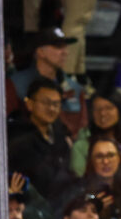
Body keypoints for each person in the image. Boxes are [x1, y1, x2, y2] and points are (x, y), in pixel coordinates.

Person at [8, 78, 75, 206]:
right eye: (46, 102)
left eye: (56, 104)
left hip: (60, 202)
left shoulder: (61, 135)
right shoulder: (17, 136)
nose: (51, 108)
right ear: (29, 104)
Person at [9, 28, 86, 137]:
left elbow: (83, 130)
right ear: (40, 52)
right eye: (58, 47)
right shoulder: (15, 84)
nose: (65, 52)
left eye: (66, 47)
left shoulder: (75, 88)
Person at [70, 90, 121, 177]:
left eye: (109, 108)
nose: (102, 113)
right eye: (97, 109)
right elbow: (79, 178)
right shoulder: (81, 146)